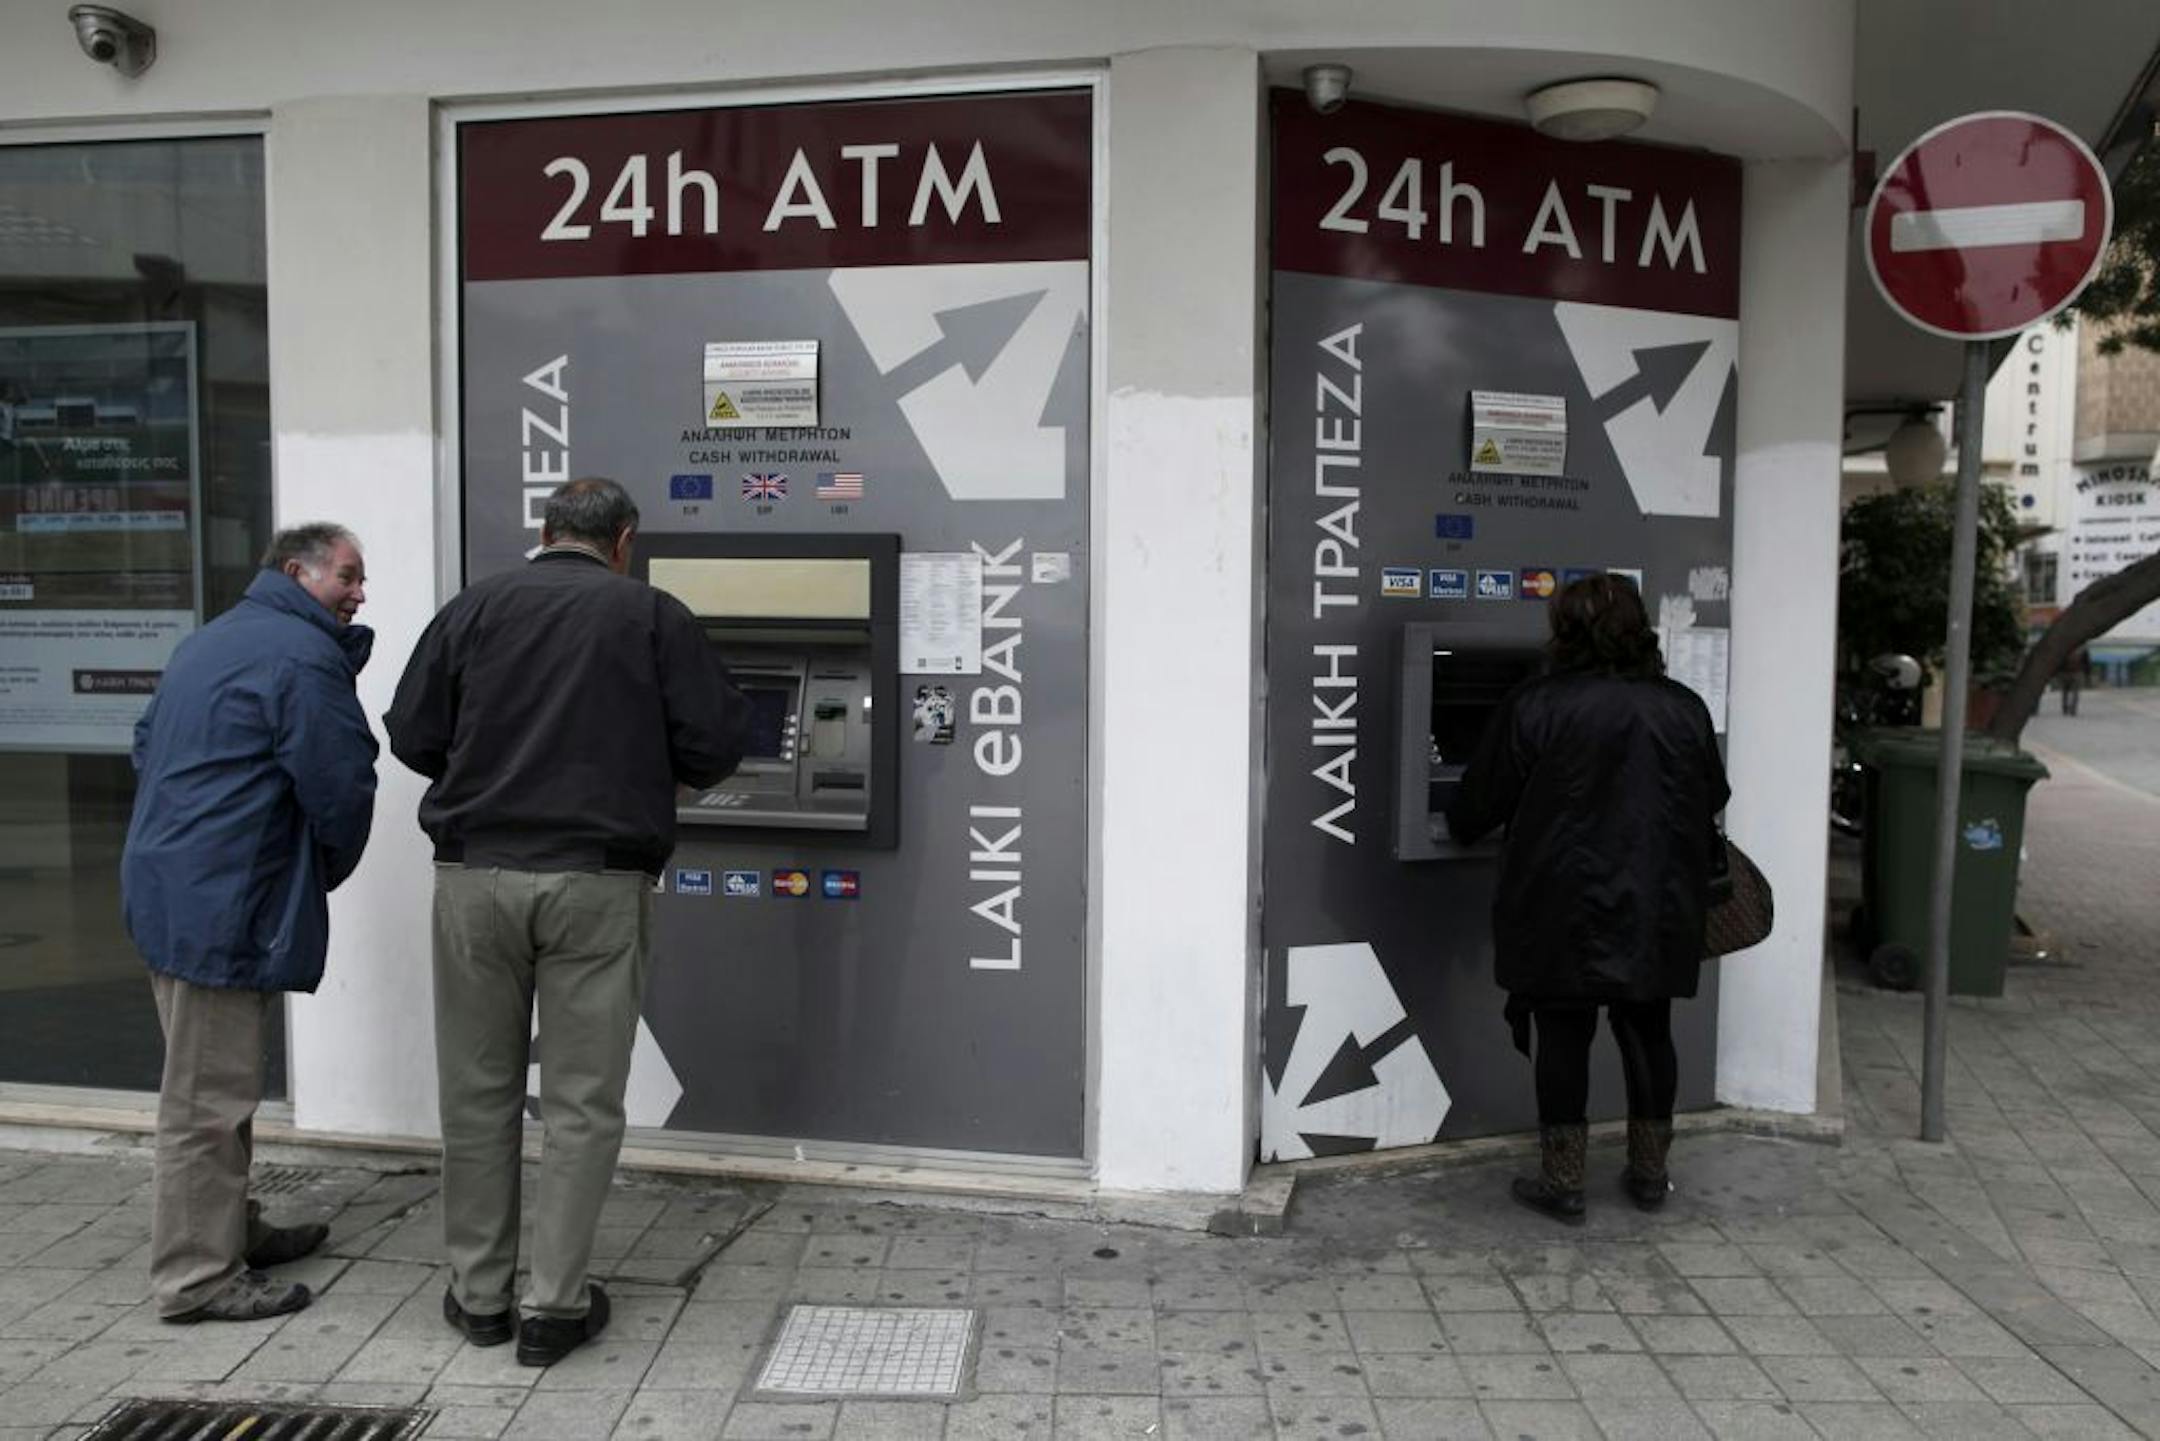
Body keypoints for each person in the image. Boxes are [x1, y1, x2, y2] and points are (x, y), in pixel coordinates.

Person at [384, 477, 747, 1367]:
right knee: (582, 1102)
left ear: (543, 532)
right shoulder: (654, 615)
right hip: (597, 882)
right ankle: (553, 1307)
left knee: (477, 1093)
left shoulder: (473, 610)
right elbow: (716, 743)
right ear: (623, 539)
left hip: (475, 879)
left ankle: (477, 1297)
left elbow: (412, 734)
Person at [122, 523, 378, 1322]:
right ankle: (196, 1276)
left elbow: (143, 744)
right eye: (347, 575)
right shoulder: (300, 658)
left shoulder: (218, 638)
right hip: (222, 901)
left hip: (176, 888)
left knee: (211, 1081)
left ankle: (228, 1225)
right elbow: (340, 790)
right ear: (297, 573)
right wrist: (312, 871)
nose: (360, 591)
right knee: (205, 1101)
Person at [1446, 573, 1729, 1226]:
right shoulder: (1683, 707)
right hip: (1654, 901)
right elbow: (1710, 796)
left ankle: (1565, 1181)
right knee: (1649, 1030)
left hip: (1560, 899)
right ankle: (1651, 1173)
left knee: (1564, 1034)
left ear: (1564, 630)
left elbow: (1475, 804)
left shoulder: (1536, 704)